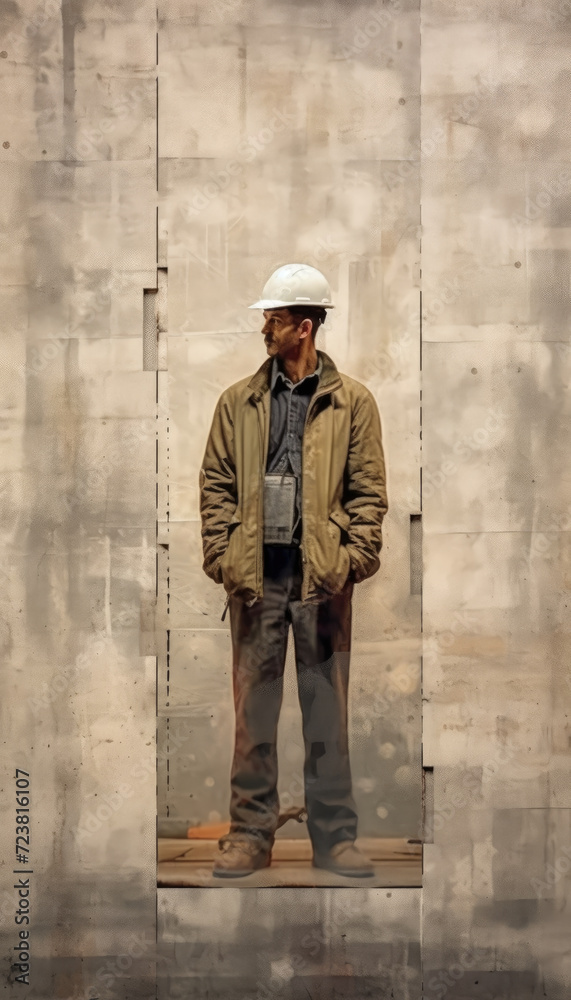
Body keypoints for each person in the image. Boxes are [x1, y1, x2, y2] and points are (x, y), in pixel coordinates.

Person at [199, 263, 388, 878]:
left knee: (326, 715)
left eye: (274, 319)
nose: (265, 327)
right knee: (254, 715)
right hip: (257, 581)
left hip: (322, 583)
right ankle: (250, 836)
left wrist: (350, 562)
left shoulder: (353, 401)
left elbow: (368, 493)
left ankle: (335, 840)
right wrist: (223, 556)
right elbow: (216, 487)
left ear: (303, 328)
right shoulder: (238, 402)